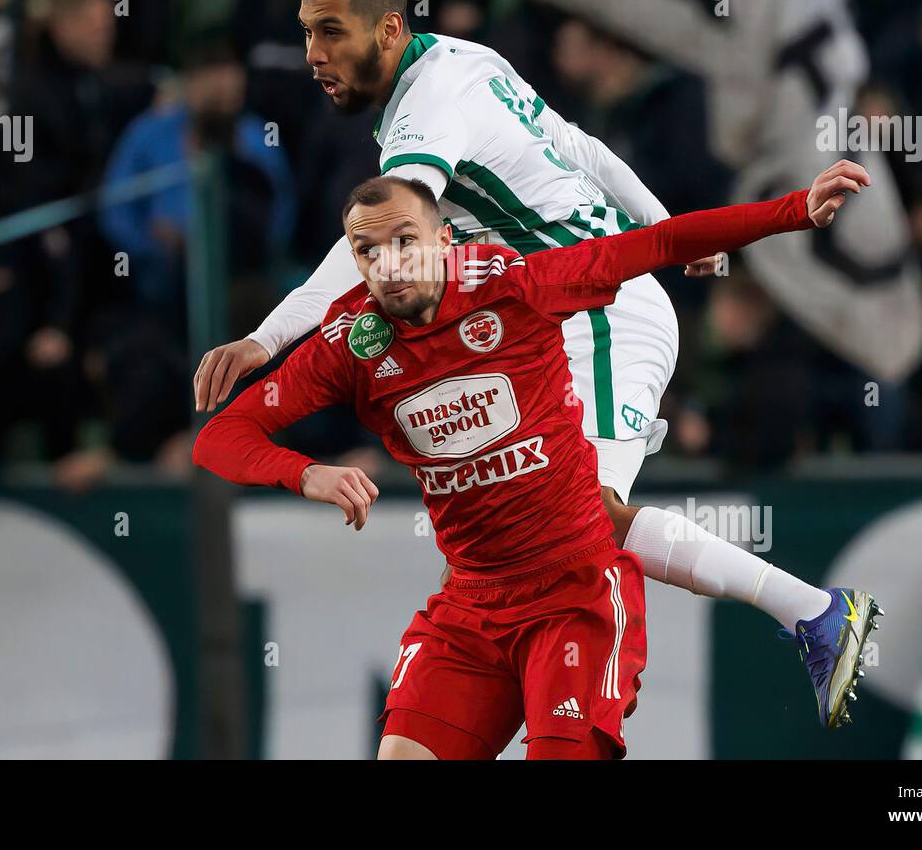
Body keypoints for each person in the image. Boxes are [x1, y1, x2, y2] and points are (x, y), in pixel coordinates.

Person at [192, 0, 867, 687]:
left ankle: (809, 613)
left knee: (590, 517)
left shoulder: (424, 114)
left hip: (594, 313)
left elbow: (383, 244)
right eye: (306, 34)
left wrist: (268, 336)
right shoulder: (460, 56)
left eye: (331, 32)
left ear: (388, 29)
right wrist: (659, 220)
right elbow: (578, 146)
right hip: (561, 312)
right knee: (556, 524)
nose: (314, 55)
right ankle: (767, 623)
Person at [193, 166, 881, 759]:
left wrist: (795, 208)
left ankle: (813, 611)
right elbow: (220, 437)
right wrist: (306, 472)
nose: (390, 263)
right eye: (367, 250)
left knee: (606, 507)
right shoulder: (353, 340)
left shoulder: (517, 286)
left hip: (574, 596)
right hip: (470, 606)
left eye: (406, 241)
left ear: (444, 240)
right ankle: (815, 612)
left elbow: (661, 243)